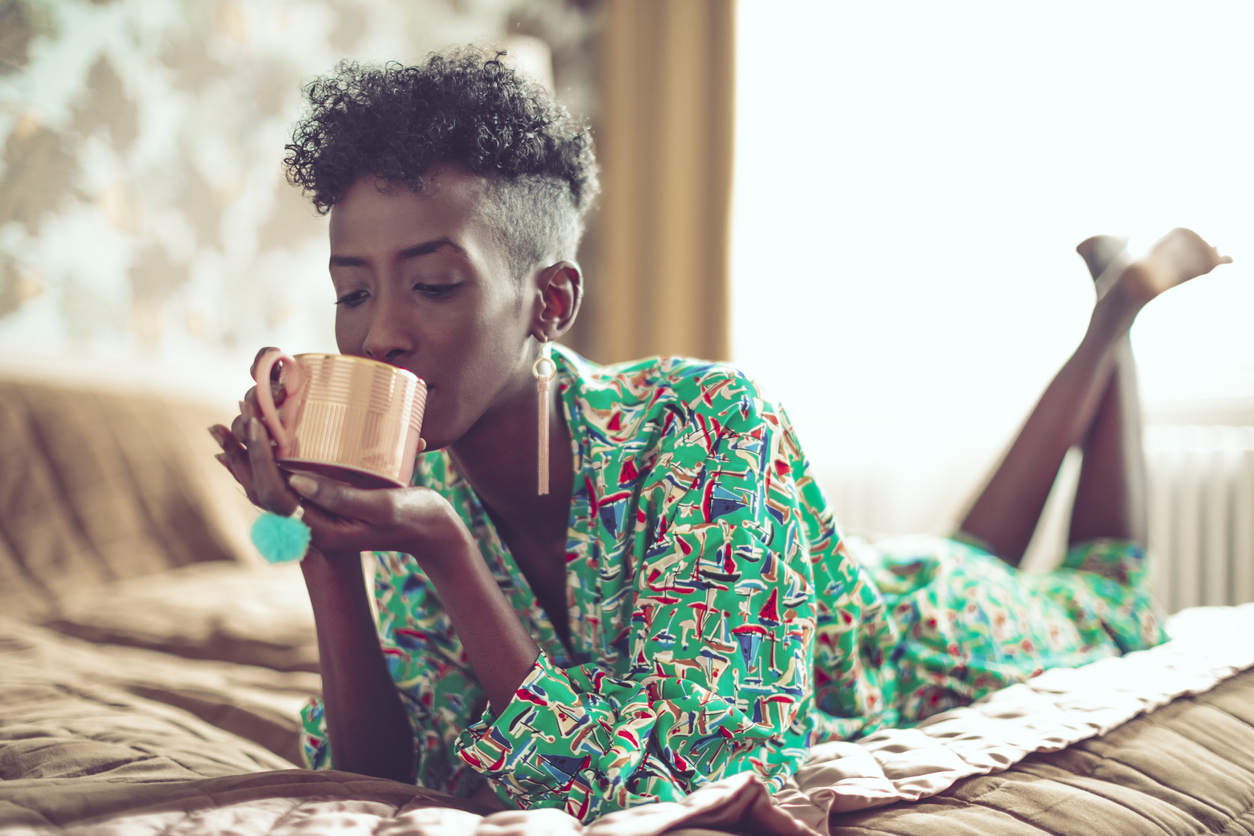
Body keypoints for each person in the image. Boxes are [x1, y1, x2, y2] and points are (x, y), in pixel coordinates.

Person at [208, 49, 1232, 822]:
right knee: (969, 546)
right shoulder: (424, 484)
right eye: (350, 290)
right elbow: (387, 771)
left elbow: (705, 783)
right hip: (865, 575)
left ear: (549, 299)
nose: (379, 331)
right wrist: (328, 547)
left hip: (913, 635)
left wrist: (448, 554)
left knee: (1107, 594)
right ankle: (1112, 301)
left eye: (433, 283)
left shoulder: (708, 422)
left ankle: (1117, 312)